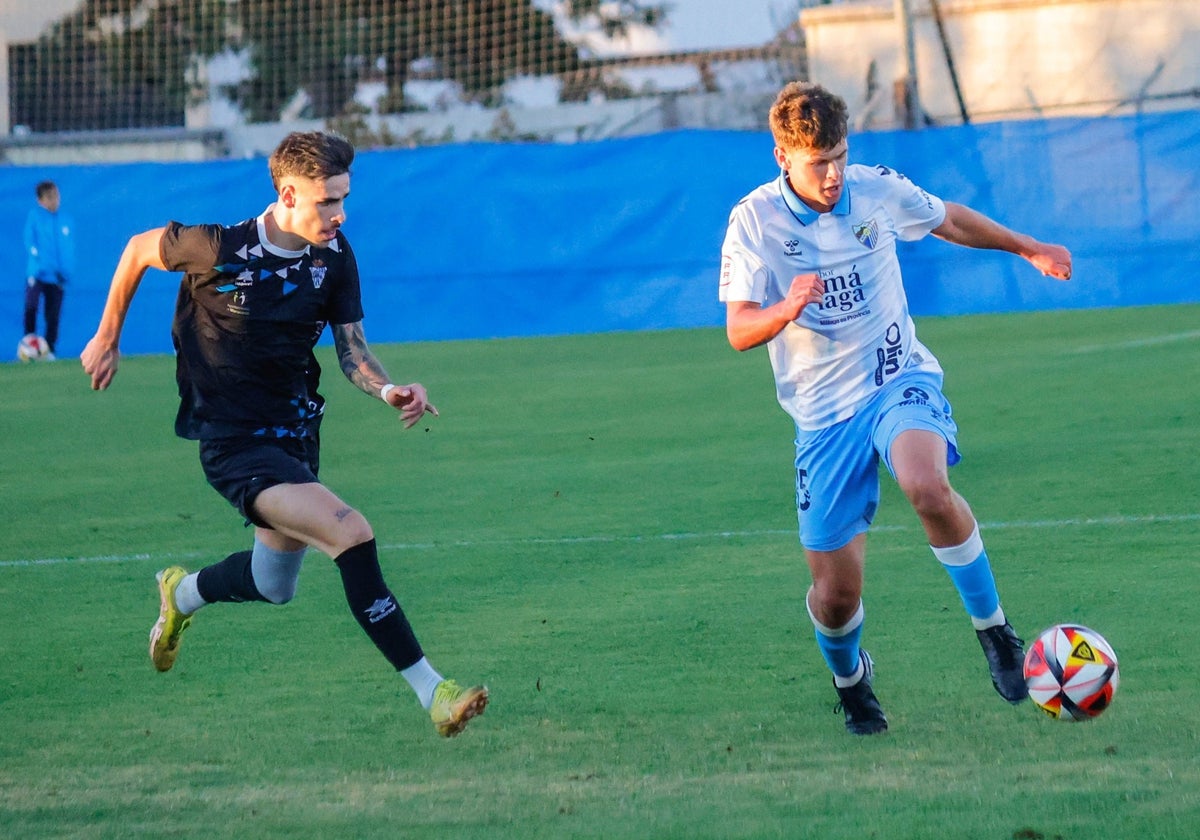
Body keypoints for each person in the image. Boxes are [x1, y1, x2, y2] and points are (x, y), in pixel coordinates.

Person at [81, 131, 488, 737]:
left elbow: (351, 350)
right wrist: (108, 334)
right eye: (328, 201)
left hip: (295, 435)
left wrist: (387, 389)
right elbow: (138, 249)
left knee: (274, 586)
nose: (339, 213)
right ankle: (434, 691)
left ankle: (182, 593)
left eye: (343, 198)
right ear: (288, 193)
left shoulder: (335, 257)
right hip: (232, 443)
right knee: (350, 531)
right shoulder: (218, 246)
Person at [719, 82, 1072, 735]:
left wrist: (1028, 247)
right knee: (835, 597)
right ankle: (851, 681)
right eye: (816, 162)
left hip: (896, 378)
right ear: (782, 157)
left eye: (839, 157)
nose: (831, 175)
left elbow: (951, 218)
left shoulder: (876, 189)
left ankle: (995, 632)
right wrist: (784, 310)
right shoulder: (754, 222)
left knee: (925, 484)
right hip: (823, 419)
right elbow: (740, 329)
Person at [23, 180, 75, 359]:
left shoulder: (65, 220)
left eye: (56, 196)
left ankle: (49, 350)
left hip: (57, 277)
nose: (54, 201)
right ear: (40, 200)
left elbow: (68, 250)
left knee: (53, 315)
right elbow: (30, 244)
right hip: (37, 274)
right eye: (50, 197)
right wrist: (40, 266)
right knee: (31, 307)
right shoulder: (34, 218)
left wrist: (65, 272)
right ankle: (29, 344)